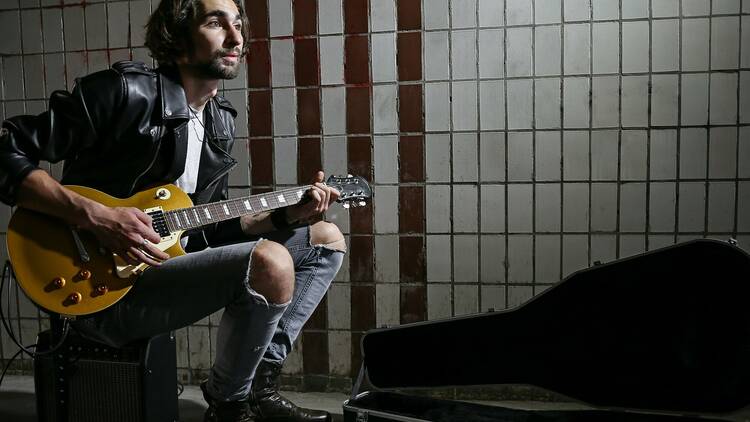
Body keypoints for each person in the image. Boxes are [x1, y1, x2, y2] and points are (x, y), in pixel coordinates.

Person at [0, 0, 346, 421]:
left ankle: (255, 387)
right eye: (216, 23)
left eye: (238, 25)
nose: (236, 38)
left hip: (160, 270)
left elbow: (204, 232)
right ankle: (230, 408)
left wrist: (285, 217)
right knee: (270, 261)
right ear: (178, 37)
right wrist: (96, 216)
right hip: (97, 286)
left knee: (325, 239)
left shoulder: (220, 121)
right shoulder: (124, 92)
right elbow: (7, 153)